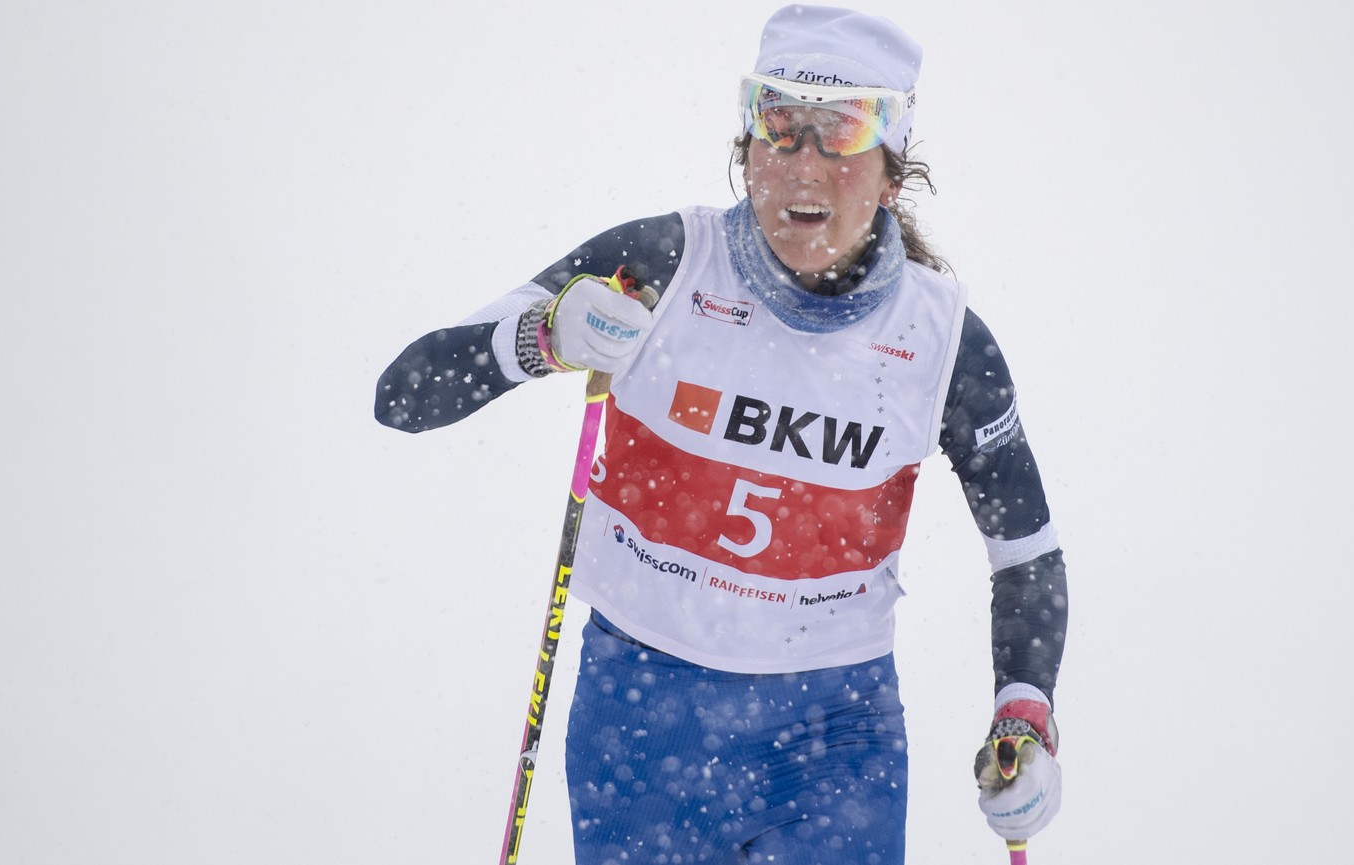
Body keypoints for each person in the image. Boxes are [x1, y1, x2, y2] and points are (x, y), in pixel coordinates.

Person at [374, 5, 1068, 862]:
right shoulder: (661, 264)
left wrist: (1025, 714)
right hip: (643, 721)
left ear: (893, 170)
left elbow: (1026, 554)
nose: (802, 165)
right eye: (778, 127)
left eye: (840, 132)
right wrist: (541, 336)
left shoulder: (944, 340)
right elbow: (403, 393)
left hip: (834, 733)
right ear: (746, 147)